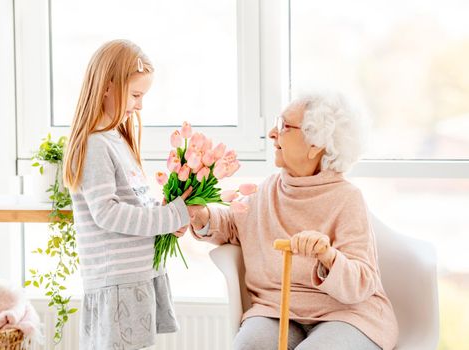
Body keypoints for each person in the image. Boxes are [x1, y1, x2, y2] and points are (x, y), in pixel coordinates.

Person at [188, 92, 399, 349]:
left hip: (347, 315)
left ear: (316, 144)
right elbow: (234, 223)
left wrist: (327, 256)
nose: (272, 134)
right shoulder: (267, 190)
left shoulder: (347, 198)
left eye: (284, 126)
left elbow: (361, 282)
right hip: (276, 310)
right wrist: (202, 217)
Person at [63, 39, 191, 350]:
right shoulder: (95, 145)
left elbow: (133, 201)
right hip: (118, 282)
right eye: (135, 95)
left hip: (134, 277)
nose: (140, 105)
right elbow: (107, 212)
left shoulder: (117, 140)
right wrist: (168, 215)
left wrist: (163, 217)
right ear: (107, 87)